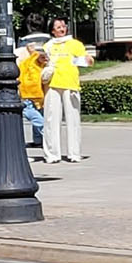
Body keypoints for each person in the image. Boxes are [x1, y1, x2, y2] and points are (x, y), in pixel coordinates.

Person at [43, 17, 91, 164]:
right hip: (52, 84)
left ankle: (74, 153)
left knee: (73, 119)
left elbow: (86, 58)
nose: (62, 29)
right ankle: (52, 154)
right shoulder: (48, 46)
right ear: (53, 31)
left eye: (63, 26)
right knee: (51, 119)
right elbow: (42, 62)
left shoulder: (75, 44)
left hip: (70, 84)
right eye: (58, 27)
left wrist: (88, 60)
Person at [17, 45, 49, 148]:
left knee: (34, 115)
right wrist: (33, 53)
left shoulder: (35, 63)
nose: (45, 59)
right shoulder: (32, 62)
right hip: (33, 93)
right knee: (36, 114)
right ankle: (40, 139)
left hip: (31, 94)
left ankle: (44, 136)